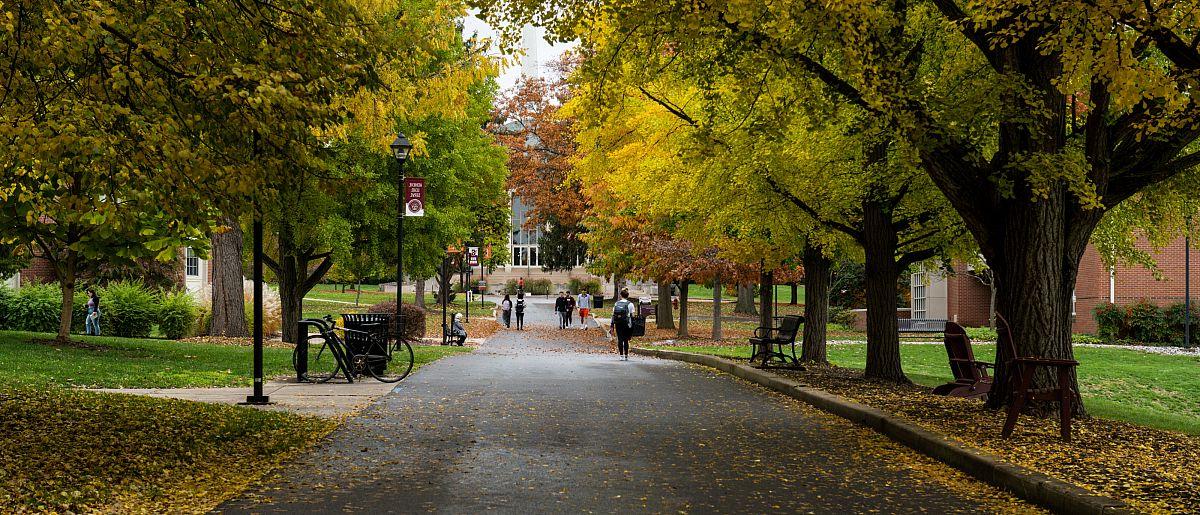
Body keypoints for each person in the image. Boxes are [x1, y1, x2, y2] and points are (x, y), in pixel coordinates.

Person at [610, 289, 634, 360]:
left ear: (621, 295)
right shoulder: (630, 304)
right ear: (628, 296)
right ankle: (626, 355)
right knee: (626, 339)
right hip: (626, 324)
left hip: (618, 323)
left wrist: (612, 325)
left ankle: (621, 355)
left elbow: (613, 314)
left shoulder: (616, 303)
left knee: (620, 339)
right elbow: (632, 315)